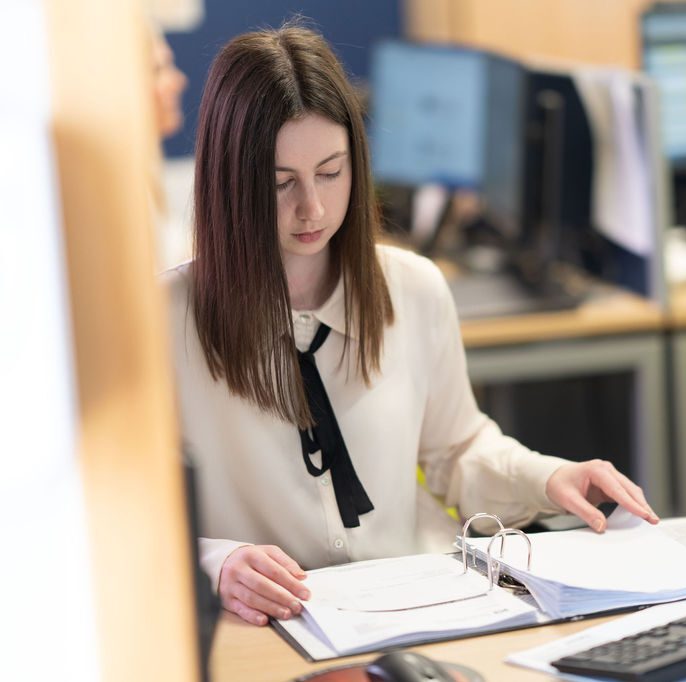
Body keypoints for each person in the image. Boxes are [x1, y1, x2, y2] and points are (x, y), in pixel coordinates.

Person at [164, 22, 660, 627]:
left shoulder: (414, 289)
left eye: (330, 171)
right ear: (230, 184)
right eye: (280, 184)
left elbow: (457, 450)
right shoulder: (166, 321)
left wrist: (549, 475)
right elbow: (125, 513)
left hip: (416, 606)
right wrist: (216, 561)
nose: (312, 209)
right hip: (273, 630)